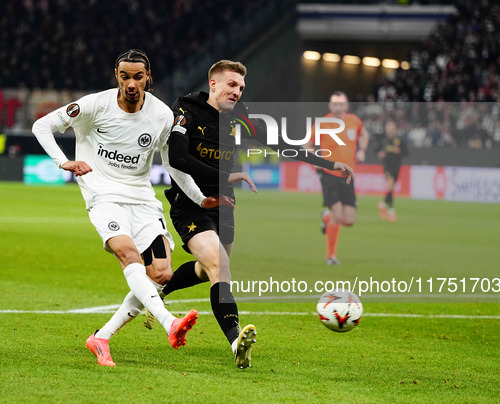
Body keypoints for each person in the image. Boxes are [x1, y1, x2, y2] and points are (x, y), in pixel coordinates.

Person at [152, 60, 354, 369]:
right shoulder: (187, 110)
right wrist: (224, 176)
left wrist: (328, 164)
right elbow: (178, 158)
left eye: (241, 87)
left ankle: (161, 290)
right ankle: (236, 341)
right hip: (191, 201)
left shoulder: (240, 118)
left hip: (225, 204)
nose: (237, 91)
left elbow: (280, 144)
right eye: (231, 85)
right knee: (220, 267)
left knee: (209, 269)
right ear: (214, 83)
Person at [32, 49, 225, 367]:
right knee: (128, 255)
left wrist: (199, 197)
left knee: (161, 274)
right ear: (116, 76)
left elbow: (173, 165)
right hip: (103, 196)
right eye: (125, 76)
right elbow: (42, 125)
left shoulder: (162, 114)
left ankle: (101, 337)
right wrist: (63, 161)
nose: (131, 83)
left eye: (138, 76)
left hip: (142, 199)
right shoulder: (95, 105)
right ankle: (170, 323)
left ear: (148, 76)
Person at [307, 91, 369, 266]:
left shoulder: (354, 121)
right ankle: (331, 256)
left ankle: (326, 218)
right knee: (337, 214)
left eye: (341, 104)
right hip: (329, 174)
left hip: (348, 176)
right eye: (335, 104)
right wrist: (315, 161)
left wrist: (362, 150)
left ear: (346, 106)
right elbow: (307, 144)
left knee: (349, 220)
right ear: (330, 106)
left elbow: (364, 134)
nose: (338, 107)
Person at [376, 119, 408, 222]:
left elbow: (406, 153)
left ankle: (383, 204)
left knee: (391, 188)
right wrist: (380, 153)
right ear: (386, 129)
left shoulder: (399, 140)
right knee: (390, 185)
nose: (390, 130)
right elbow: (375, 149)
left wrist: (399, 152)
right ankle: (391, 210)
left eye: (392, 128)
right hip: (387, 166)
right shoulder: (383, 140)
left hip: (396, 166)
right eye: (388, 128)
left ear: (395, 129)